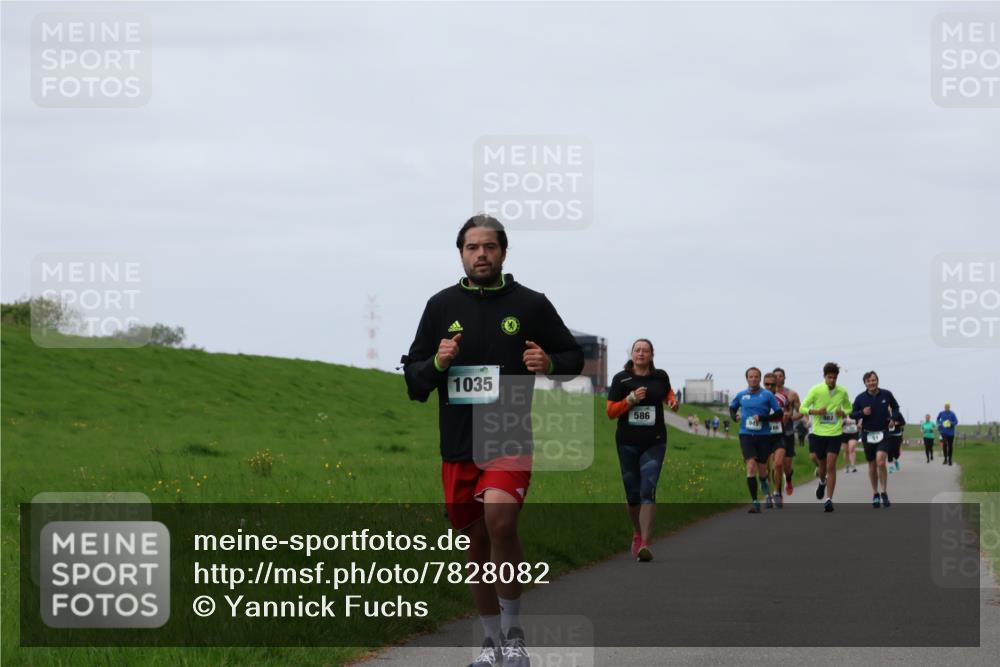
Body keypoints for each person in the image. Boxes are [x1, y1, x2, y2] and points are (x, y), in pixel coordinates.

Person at [403, 214, 584, 667]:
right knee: (476, 543)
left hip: (509, 433)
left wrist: (548, 362)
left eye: (489, 247)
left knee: (500, 521)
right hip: (459, 443)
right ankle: (490, 646)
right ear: (461, 253)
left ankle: (515, 635)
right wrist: (439, 364)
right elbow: (415, 381)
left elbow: (574, 358)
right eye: (471, 247)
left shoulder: (530, 304)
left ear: (503, 252)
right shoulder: (440, 306)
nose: (480, 254)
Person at [606, 339, 679, 562]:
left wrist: (673, 402)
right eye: (637, 350)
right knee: (633, 495)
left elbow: (668, 394)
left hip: (654, 441)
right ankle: (637, 532)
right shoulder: (621, 379)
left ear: (651, 354)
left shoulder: (660, 376)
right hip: (627, 442)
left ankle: (646, 543)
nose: (641, 354)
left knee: (648, 489)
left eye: (645, 350)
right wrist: (630, 399)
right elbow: (610, 412)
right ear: (632, 354)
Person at [729, 367, 784, 513]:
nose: (753, 379)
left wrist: (763, 418)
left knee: (762, 471)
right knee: (751, 466)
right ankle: (755, 502)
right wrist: (735, 417)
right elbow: (732, 408)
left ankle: (765, 487)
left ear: (759, 379)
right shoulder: (741, 395)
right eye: (750, 377)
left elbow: (779, 412)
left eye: (756, 377)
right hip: (746, 435)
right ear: (747, 379)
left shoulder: (767, 395)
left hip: (764, 436)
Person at [800, 362, 853, 512]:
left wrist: (844, 413)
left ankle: (829, 500)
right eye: (829, 377)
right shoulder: (816, 390)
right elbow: (802, 407)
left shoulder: (842, 391)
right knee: (822, 467)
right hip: (818, 434)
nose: (832, 380)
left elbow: (849, 407)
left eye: (834, 378)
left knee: (831, 465)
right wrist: (815, 412)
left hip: (835, 434)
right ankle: (822, 482)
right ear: (824, 377)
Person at [850, 370, 901, 509]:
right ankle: (875, 493)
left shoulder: (886, 394)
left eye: (873, 380)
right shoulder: (860, 398)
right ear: (865, 383)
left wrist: (893, 418)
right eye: (869, 381)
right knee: (872, 466)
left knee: (880, 461)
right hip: (867, 434)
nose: (871, 383)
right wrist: (862, 413)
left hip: (883, 433)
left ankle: (884, 491)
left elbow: (896, 407)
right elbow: (852, 414)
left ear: (877, 380)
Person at [772, 368, 804, 496]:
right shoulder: (768, 394)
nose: (778, 378)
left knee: (787, 464)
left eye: (781, 376)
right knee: (776, 463)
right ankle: (777, 491)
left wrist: (790, 417)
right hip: (772, 433)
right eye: (776, 376)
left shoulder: (792, 394)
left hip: (788, 432)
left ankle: (789, 478)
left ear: (784, 378)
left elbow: (801, 412)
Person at [762, 373, 787, 508]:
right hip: (763, 437)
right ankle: (767, 495)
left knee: (778, 464)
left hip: (778, 435)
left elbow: (787, 411)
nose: (770, 387)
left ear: (776, 385)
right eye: (767, 384)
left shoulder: (782, 398)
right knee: (764, 469)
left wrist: (787, 416)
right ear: (763, 384)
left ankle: (777, 492)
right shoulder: (757, 399)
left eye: (772, 384)